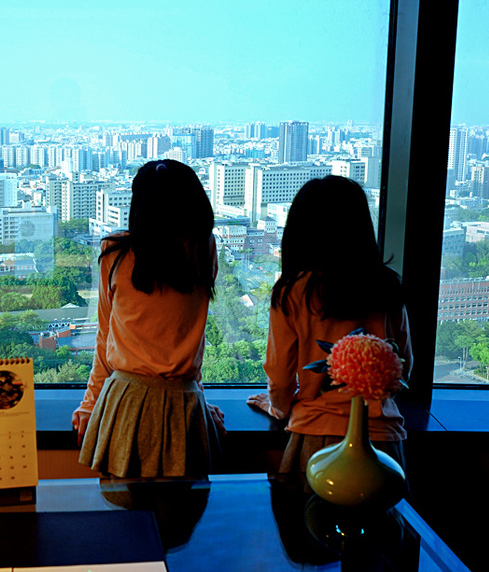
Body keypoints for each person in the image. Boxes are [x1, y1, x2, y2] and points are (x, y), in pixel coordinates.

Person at [247, 175, 411, 479]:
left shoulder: (292, 291)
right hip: (383, 444)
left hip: (316, 437)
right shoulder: (386, 286)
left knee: (307, 521)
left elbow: (281, 379)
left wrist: (276, 407)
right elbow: (403, 367)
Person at [74, 159, 224, 478]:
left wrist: (90, 404)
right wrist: (197, 398)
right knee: (184, 519)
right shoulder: (203, 250)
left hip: (124, 404)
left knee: (124, 518)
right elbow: (189, 339)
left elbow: (105, 337)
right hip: (184, 408)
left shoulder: (115, 253)